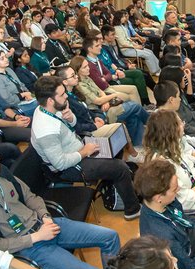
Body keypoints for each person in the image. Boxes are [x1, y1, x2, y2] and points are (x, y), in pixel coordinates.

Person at [0, 134, 121, 269]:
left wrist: (46, 217)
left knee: (110, 237)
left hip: (46, 225)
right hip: (30, 247)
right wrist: (37, 237)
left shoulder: (0, 172)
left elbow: (30, 197)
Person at [30, 76, 141, 220]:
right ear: (50, 100)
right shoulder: (46, 130)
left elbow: (70, 128)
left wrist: (71, 118)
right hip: (69, 168)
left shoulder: (48, 108)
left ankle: (113, 185)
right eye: (62, 94)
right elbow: (60, 163)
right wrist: (84, 152)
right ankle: (132, 210)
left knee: (116, 143)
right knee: (119, 168)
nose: (66, 97)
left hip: (78, 149)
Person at [69, 56, 148, 149]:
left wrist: (104, 100)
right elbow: (96, 101)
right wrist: (112, 96)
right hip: (99, 112)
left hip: (104, 106)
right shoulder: (80, 85)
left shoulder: (87, 77)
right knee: (135, 106)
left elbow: (100, 91)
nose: (88, 68)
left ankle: (138, 145)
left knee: (133, 115)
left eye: (87, 66)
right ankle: (152, 123)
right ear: (77, 70)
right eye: (85, 67)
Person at [0, 50, 38, 116]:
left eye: (6, 57)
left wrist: (28, 94)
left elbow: (21, 84)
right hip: (13, 107)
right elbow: (7, 100)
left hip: (24, 100)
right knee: (41, 105)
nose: (6, 59)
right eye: (2, 58)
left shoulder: (9, 70)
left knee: (43, 100)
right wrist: (23, 95)